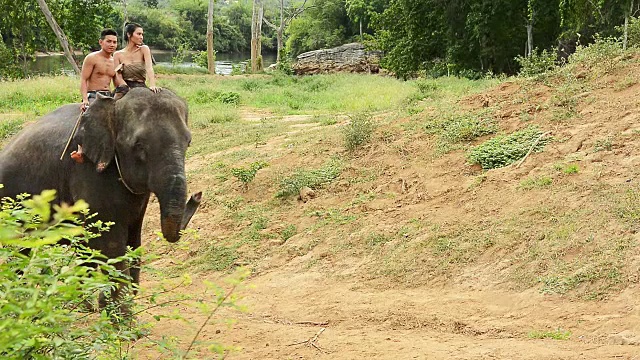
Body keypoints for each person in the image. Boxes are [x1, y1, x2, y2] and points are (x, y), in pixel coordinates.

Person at [79, 28, 125, 111]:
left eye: (114, 42)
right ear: (101, 42)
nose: (112, 45)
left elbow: (117, 85)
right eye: (109, 41)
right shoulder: (91, 58)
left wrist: (119, 73)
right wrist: (85, 99)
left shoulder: (115, 61)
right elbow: (83, 79)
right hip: (94, 95)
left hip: (108, 95)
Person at [114, 23, 160, 92]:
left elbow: (149, 68)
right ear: (129, 34)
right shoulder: (117, 54)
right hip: (124, 88)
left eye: (142, 34)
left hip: (141, 87)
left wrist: (152, 85)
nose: (141, 37)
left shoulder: (144, 49)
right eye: (138, 34)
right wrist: (127, 90)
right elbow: (118, 76)